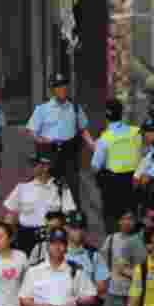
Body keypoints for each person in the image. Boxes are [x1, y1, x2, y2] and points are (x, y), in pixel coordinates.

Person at [27, 73, 96, 209]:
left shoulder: (75, 108)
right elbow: (31, 131)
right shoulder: (42, 109)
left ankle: (75, 220)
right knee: (49, 189)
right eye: (58, 87)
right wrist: (40, 139)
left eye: (64, 86)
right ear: (52, 90)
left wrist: (92, 144)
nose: (62, 90)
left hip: (69, 152)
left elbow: (83, 129)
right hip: (49, 152)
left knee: (73, 188)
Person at [3, 153, 77, 260]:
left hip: (51, 237)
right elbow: (9, 216)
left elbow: (70, 215)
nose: (31, 167)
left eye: (34, 164)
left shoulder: (60, 188)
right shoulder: (23, 187)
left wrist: (60, 224)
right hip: (26, 236)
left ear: (46, 167)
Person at [91, 101, 141, 225]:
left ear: (106, 116)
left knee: (112, 221)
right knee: (131, 219)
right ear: (122, 114)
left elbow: (95, 166)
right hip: (133, 183)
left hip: (113, 186)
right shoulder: (136, 132)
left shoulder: (105, 138)